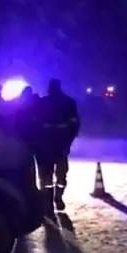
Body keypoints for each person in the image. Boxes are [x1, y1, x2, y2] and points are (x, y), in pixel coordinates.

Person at [32, 79, 81, 213]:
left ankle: (50, 201)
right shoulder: (68, 102)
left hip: (47, 145)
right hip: (58, 144)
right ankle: (56, 199)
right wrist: (69, 141)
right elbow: (74, 125)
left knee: (48, 176)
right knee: (59, 175)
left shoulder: (42, 103)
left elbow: (34, 124)